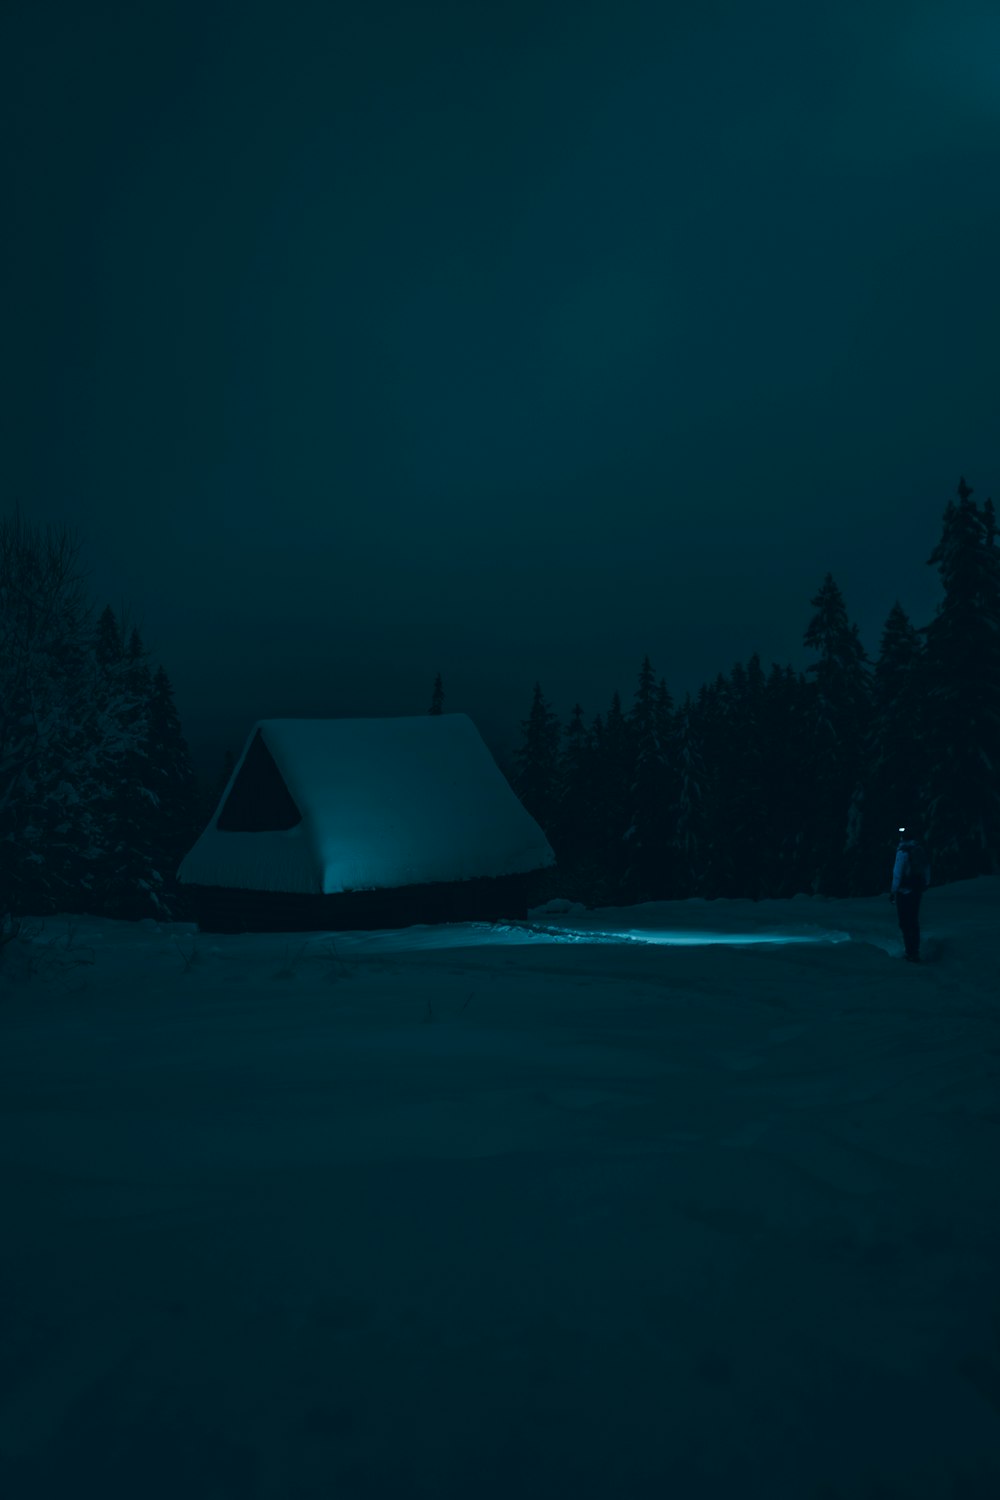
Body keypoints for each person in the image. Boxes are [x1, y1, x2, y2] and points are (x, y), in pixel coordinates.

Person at [890, 826, 930, 963]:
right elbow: (926, 868)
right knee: (913, 921)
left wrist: (893, 891)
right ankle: (915, 952)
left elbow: (897, 873)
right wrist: (924, 884)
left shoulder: (902, 852)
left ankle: (910, 952)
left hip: (903, 891)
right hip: (916, 890)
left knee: (905, 922)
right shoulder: (919, 849)